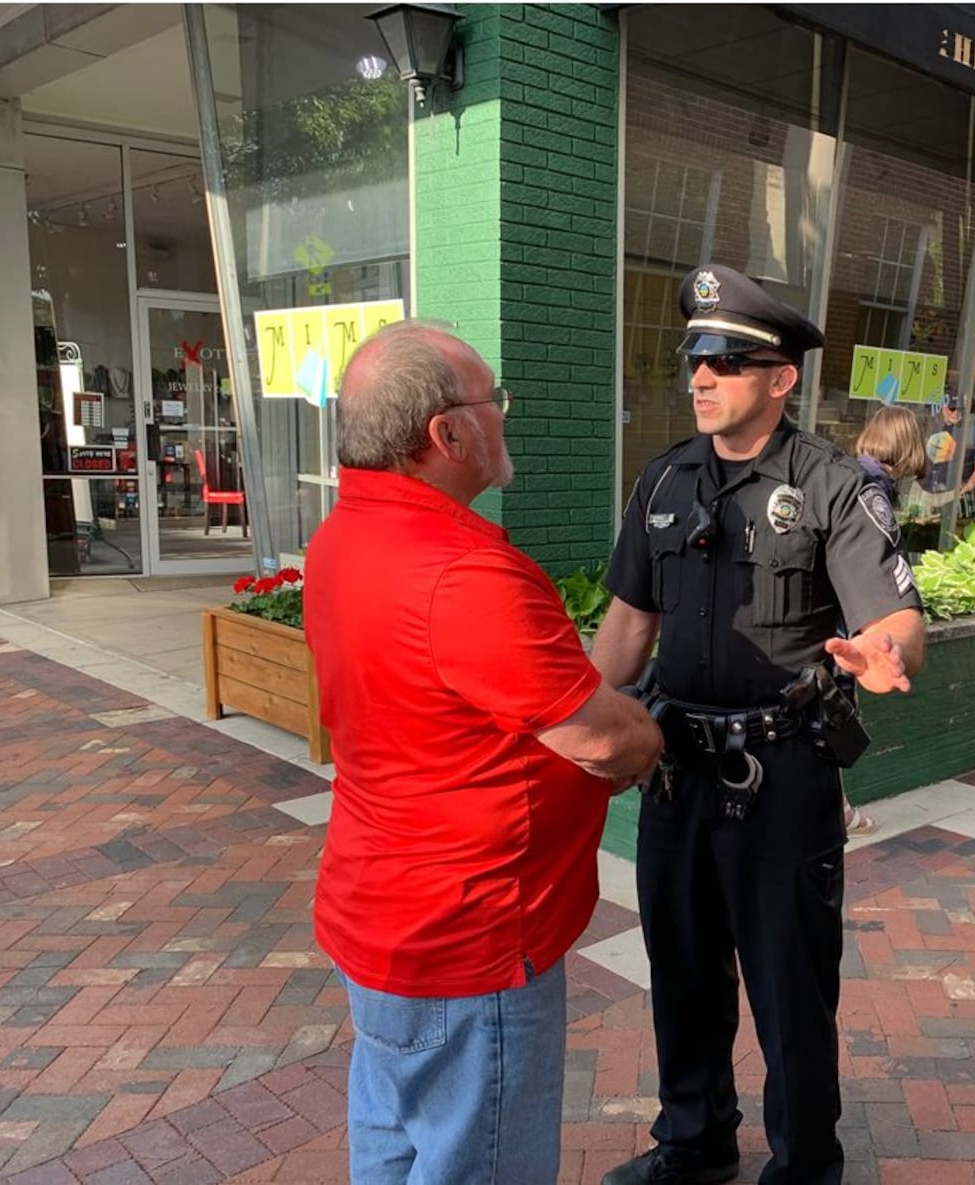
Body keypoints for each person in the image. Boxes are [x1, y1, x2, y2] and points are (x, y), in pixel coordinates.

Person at [304, 321, 664, 1185]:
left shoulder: (340, 536)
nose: (504, 417)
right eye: (493, 401)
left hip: (382, 915)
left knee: (392, 1144)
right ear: (447, 434)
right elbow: (606, 736)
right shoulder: (463, 571)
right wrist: (652, 738)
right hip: (470, 940)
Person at [591, 264, 927, 1185]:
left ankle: (805, 1163)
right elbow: (628, 625)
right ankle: (695, 1143)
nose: (700, 376)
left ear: (780, 378)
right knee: (685, 977)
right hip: (676, 776)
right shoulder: (663, 480)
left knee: (789, 988)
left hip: (781, 779)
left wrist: (883, 650)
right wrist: (564, 727)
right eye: (694, 357)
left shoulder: (831, 486)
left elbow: (898, 620)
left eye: (728, 360)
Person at [841, 405, 930, 837]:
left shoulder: (853, 474)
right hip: (844, 629)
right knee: (834, 715)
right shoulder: (869, 489)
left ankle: (836, 808)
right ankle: (837, 810)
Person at [923, 389, 975, 498]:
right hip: (928, 488)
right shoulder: (934, 427)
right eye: (952, 408)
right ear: (943, 408)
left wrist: (965, 490)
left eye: (960, 409)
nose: (956, 413)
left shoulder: (974, 432)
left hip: (952, 493)